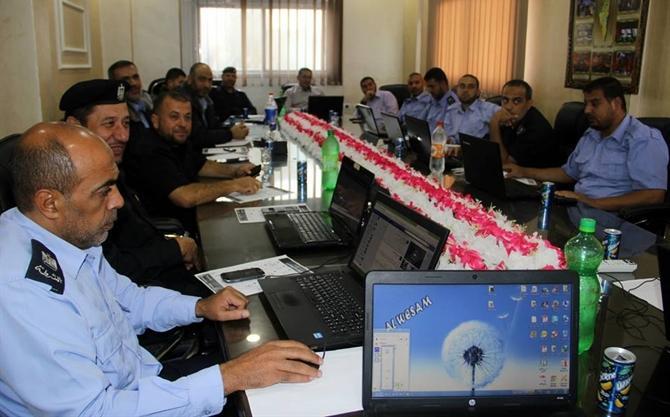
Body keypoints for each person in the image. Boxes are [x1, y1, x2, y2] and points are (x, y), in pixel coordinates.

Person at [0, 122, 322, 416]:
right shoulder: (22, 292)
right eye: (104, 190)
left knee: (293, 375)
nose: (118, 201)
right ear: (49, 203)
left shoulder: (66, 238)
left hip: (142, 383)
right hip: (120, 405)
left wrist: (199, 307)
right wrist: (230, 377)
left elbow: (130, 300)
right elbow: (94, 411)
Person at [59, 78, 206, 295]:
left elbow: (137, 232)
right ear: (75, 127)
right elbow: (111, 270)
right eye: (109, 124)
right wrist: (175, 249)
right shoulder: (70, 187)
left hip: (161, 274)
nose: (123, 136)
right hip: (144, 293)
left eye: (126, 123)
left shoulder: (111, 167)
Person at [504, 77, 668, 211]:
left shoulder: (643, 139)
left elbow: (653, 195)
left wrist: (592, 202)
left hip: (613, 218)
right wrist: (523, 171)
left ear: (616, 104)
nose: (587, 110)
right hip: (577, 207)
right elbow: (568, 173)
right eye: (586, 104)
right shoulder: (592, 133)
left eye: (594, 104)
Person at [125, 90, 261, 236]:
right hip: (172, 232)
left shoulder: (176, 139)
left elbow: (201, 165)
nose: (183, 124)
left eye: (187, 117)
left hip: (194, 217)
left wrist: (234, 171)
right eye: (174, 117)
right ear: (155, 121)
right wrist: (235, 185)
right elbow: (185, 197)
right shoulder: (149, 150)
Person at [489, 79, 561, 168]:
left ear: (529, 104)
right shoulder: (511, 118)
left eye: (516, 101)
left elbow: (505, 164)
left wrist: (494, 123)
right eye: (505, 100)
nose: (508, 107)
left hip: (538, 175)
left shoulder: (537, 129)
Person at [180, 62, 249, 149]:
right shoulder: (182, 100)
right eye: (202, 79)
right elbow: (198, 136)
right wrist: (231, 133)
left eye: (210, 80)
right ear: (189, 79)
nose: (207, 85)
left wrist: (234, 129)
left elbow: (214, 126)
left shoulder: (205, 99)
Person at [443, 74, 500, 143]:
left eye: (470, 87)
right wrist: (450, 140)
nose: (465, 90)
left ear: (478, 92)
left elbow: (507, 114)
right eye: (462, 86)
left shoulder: (488, 108)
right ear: (457, 90)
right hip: (454, 148)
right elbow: (450, 135)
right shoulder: (451, 110)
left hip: (477, 148)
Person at [108, 60, 153, 129]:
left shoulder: (149, 101)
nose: (133, 83)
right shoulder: (114, 116)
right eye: (125, 80)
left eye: (135, 77)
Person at [420, 67, 458, 132]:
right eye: (428, 87)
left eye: (432, 86)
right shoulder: (433, 98)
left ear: (443, 84)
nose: (429, 90)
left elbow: (448, 132)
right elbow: (420, 120)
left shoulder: (453, 104)